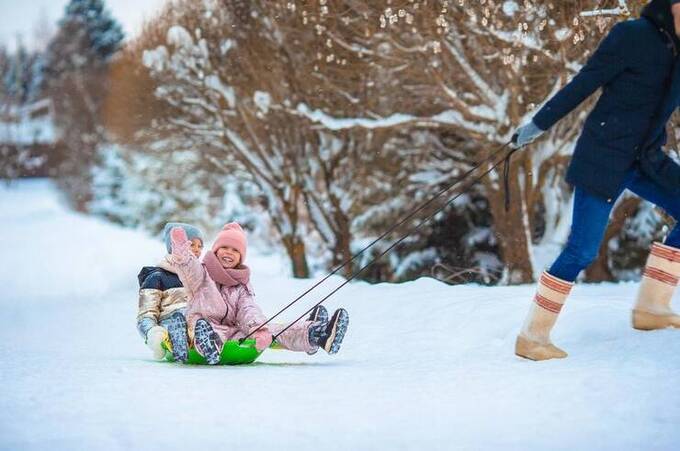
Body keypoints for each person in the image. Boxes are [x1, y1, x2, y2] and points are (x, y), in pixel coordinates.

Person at [512, 0, 680, 361]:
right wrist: (538, 125)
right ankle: (532, 336)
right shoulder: (633, 35)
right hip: (604, 158)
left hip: (646, 159)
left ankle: (652, 308)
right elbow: (585, 82)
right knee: (583, 250)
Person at [169, 222, 349, 365]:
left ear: (241, 257)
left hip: (232, 333)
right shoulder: (202, 273)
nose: (229, 253)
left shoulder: (241, 284)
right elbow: (188, 269)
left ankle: (317, 334)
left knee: (271, 329)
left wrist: (259, 330)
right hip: (202, 327)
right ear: (216, 250)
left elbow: (248, 308)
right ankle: (207, 344)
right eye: (225, 248)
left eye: (235, 251)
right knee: (208, 330)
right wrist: (182, 253)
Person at [137, 222, 204, 362]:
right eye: (192, 244)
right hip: (169, 324)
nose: (197, 250)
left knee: (203, 322)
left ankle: (204, 340)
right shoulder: (156, 277)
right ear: (175, 246)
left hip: (199, 323)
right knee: (177, 321)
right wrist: (153, 335)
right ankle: (178, 337)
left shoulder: (202, 277)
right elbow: (146, 315)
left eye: (200, 246)